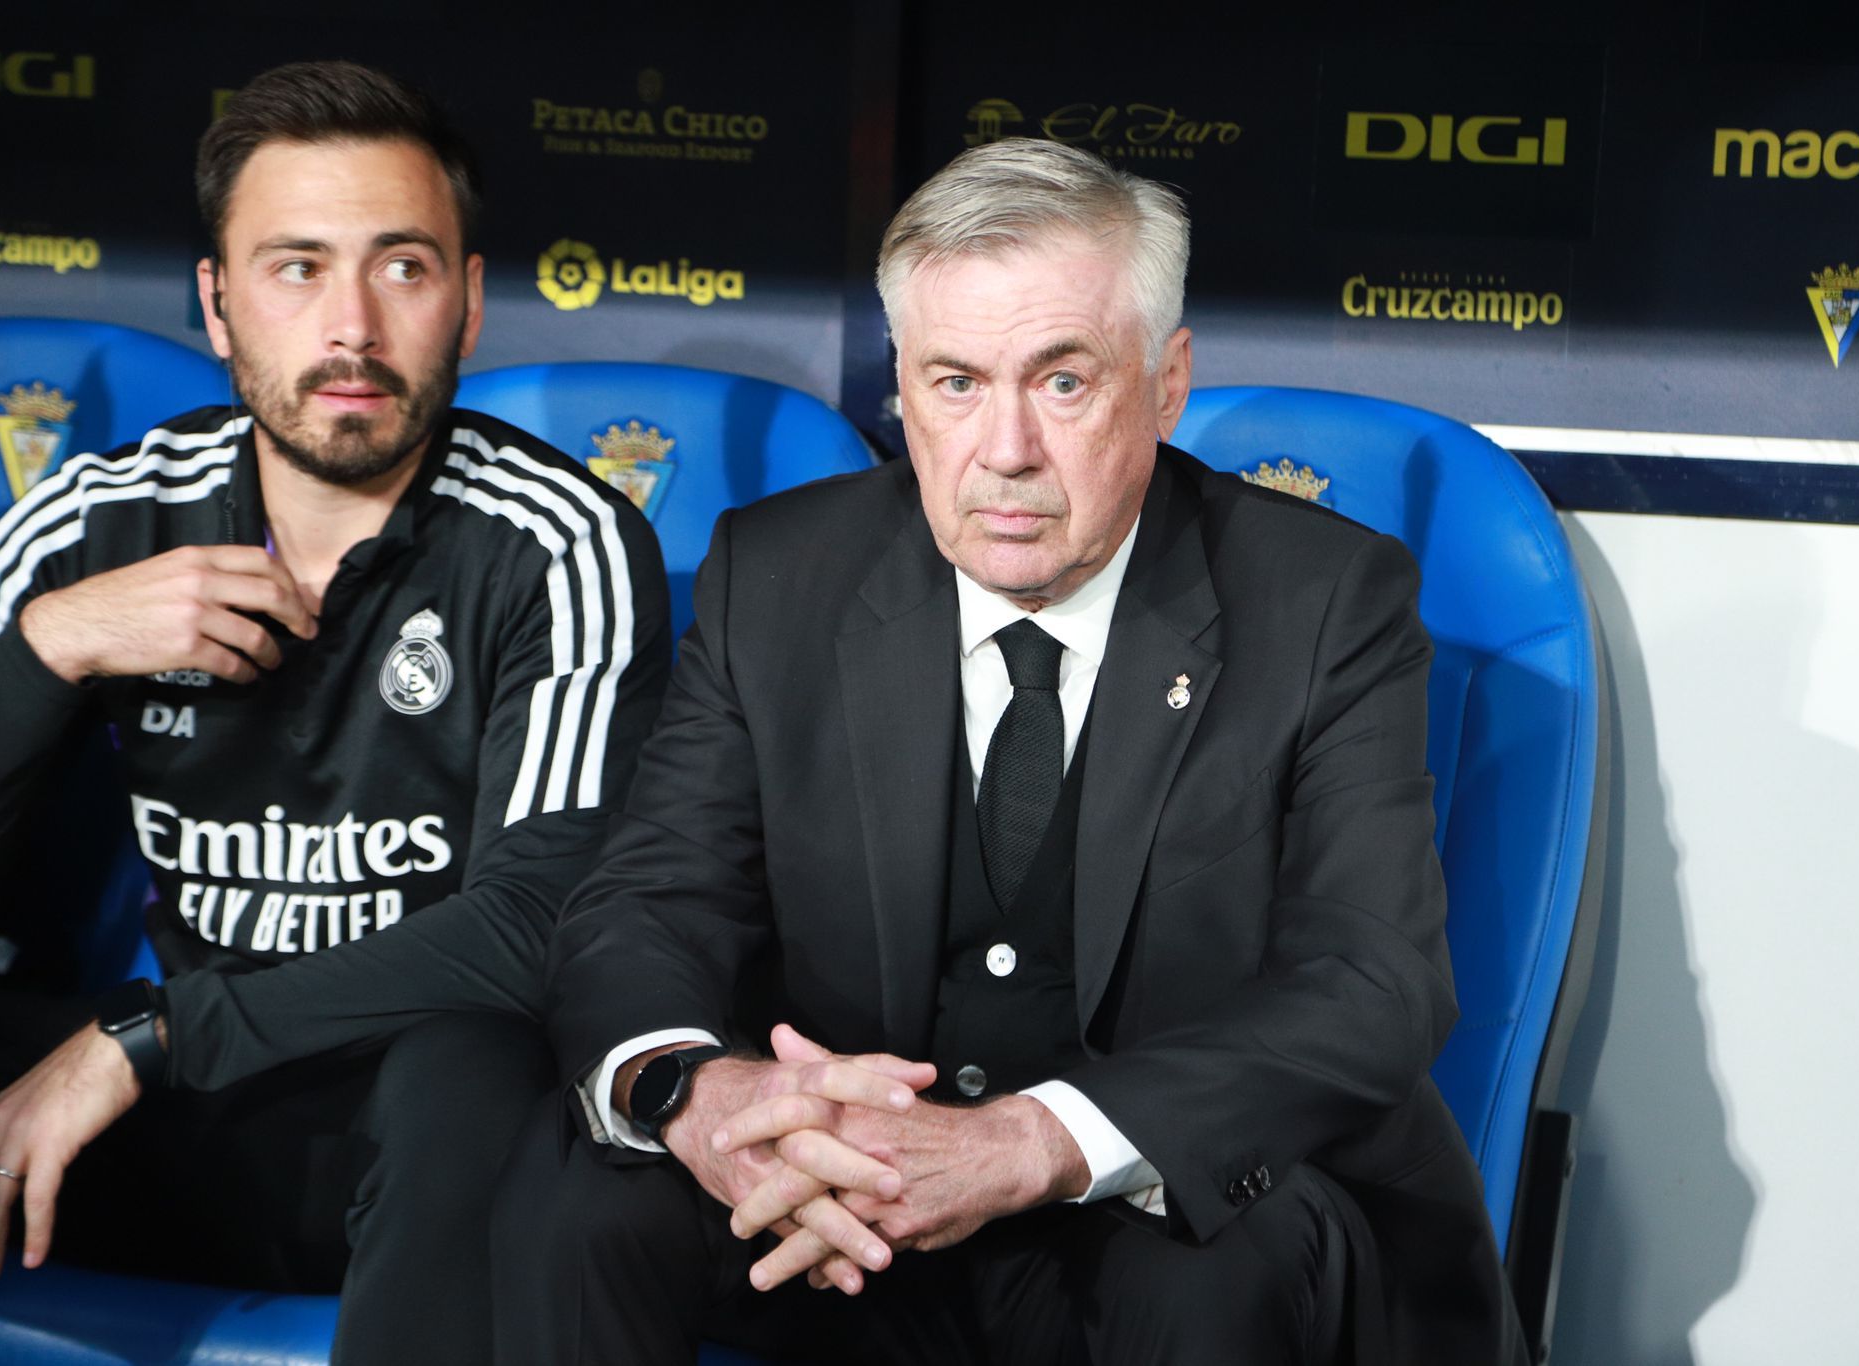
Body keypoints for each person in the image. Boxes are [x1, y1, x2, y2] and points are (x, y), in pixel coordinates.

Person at [492, 138, 1524, 1364]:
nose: (1006, 449)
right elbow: (646, 904)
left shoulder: (1322, 599)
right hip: (848, 1213)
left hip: (1139, 1209)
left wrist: (1029, 1142)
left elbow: (1372, 986)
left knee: (1216, 1262)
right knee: (584, 1202)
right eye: (955, 382)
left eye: (1063, 381)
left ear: (1166, 380)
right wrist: (703, 1098)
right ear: (902, 390)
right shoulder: (778, 575)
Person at [0, 61, 669, 1365]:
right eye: (295, 267)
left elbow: (535, 926)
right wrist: (53, 644)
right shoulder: (87, 523)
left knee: (477, 1070)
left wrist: (145, 1035)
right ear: (217, 307)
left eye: (402, 267)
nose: (352, 328)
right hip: (155, 1120)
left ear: (472, 301)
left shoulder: (563, 542)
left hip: (399, 1129)